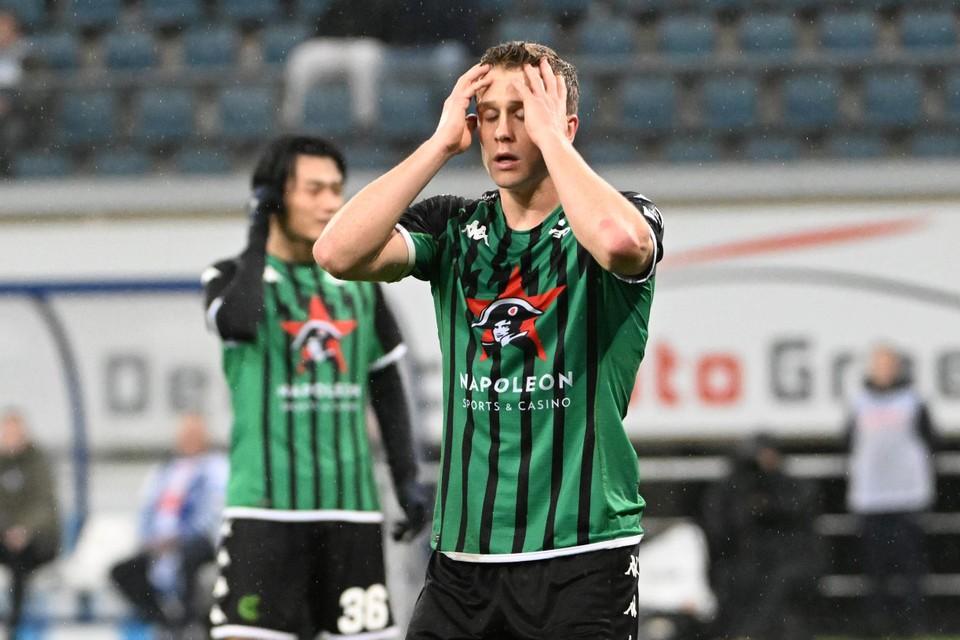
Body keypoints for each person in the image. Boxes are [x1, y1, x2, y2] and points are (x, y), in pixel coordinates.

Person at [314, 42, 665, 639]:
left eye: (523, 112)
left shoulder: (628, 214)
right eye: (490, 114)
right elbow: (336, 252)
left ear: (564, 124)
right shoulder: (453, 226)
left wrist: (553, 142)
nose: (502, 132)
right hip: (464, 564)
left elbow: (619, 246)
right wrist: (438, 146)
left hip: (582, 558)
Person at [203, 135, 431, 640]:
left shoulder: (361, 286)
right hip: (262, 515)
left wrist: (406, 479)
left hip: (350, 513)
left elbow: (387, 386)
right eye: (315, 189)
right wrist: (258, 228)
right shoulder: (228, 278)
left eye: (337, 189)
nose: (332, 202)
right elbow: (241, 323)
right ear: (275, 197)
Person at [845, 343, 938, 637]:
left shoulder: (913, 401)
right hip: (871, 498)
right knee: (875, 569)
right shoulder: (859, 402)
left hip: (907, 496)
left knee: (911, 567)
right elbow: (848, 442)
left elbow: (930, 440)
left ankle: (914, 624)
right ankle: (878, 625)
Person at [110, 413, 227, 634]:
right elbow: (146, 509)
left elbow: (213, 513)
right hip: (159, 547)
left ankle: (189, 621)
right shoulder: (165, 470)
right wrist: (149, 540)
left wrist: (179, 538)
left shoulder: (216, 468)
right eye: (185, 435)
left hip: (197, 543)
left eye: (194, 435)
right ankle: (164, 620)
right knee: (122, 571)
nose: (188, 440)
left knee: (189, 560)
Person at [700, 434, 823, 640]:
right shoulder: (730, 489)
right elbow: (720, 529)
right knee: (738, 579)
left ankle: (753, 633)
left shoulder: (789, 487)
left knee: (776, 583)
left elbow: (798, 508)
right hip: (745, 560)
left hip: (789, 560)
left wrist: (768, 505)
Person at [0, 409, 59, 639]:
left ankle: (13, 627)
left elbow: (45, 505)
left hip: (39, 541)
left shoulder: (38, 463)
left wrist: (24, 530)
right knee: (13, 556)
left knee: (19, 564)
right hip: (6, 538)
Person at [0, 10, 25, 176]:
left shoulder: (29, 57)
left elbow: (40, 92)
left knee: (12, 131)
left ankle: (8, 172)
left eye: (4, 29)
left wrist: (11, 102)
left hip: (21, 114)